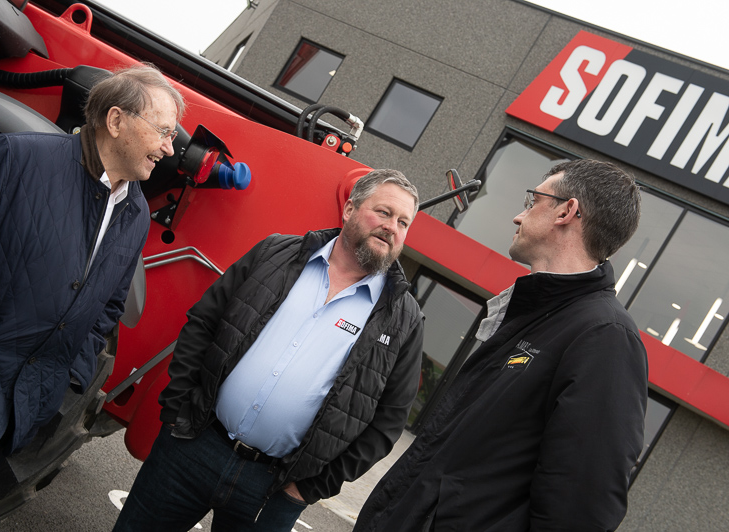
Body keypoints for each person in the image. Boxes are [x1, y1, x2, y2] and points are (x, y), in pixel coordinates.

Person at [0, 63, 184, 531]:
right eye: (164, 132)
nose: (170, 148)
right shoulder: (14, 157)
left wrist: (61, 382)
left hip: (4, 416)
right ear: (115, 121)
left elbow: (107, 308)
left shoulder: (134, 215)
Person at [114, 169, 425, 532]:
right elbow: (204, 322)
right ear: (349, 209)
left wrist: (308, 487)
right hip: (193, 447)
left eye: (403, 222)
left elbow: (388, 423)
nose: (392, 227)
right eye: (384, 212)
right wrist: (179, 411)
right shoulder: (275, 253)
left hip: (273, 491)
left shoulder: (404, 320)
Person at [354, 159, 648, 532]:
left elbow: (580, 508)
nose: (517, 216)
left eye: (533, 200)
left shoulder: (604, 337)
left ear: (567, 211)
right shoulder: (533, 313)